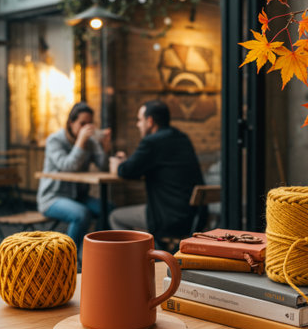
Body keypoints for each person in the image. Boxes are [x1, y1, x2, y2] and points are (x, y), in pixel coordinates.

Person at [109, 100, 206, 245]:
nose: (137, 124)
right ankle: (151, 252)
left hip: (167, 217)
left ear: (150, 121)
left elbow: (125, 171)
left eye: (139, 120)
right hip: (193, 217)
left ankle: (136, 261)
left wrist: (117, 165)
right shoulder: (181, 138)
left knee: (115, 217)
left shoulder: (152, 142)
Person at [37, 102, 111, 251]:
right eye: (82, 123)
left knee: (109, 209)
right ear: (71, 123)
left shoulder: (90, 141)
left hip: (78, 197)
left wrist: (104, 145)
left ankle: (96, 253)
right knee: (81, 214)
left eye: (90, 124)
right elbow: (68, 166)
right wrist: (81, 141)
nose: (86, 128)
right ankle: (69, 258)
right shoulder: (55, 140)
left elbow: (103, 166)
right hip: (52, 198)